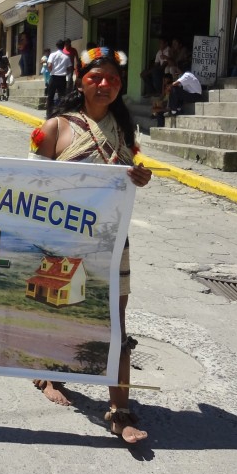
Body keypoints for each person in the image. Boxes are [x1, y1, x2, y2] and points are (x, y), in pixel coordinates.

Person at [28, 47, 152, 445]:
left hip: (112, 241)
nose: (105, 85)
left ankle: (120, 410)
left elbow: (130, 173)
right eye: (96, 78)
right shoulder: (54, 129)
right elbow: (31, 184)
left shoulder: (124, 130)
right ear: (79, 80)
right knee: (59, 310)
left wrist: (140, 177)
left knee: (113, 321)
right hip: (63, 238)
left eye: (113, 80)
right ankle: (50, 372)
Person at [45, 39, 71, 116]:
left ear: (56, 46)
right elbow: (70, 68)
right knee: (62, 96)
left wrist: (51, 71)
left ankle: (49, 113)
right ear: (64, 46)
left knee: (50, 96)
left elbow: (49, 65)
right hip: (62, 78)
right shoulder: (66, 57)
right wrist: (66, 72)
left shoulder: (52, 55)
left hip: (54, 77)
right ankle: (61, 113)